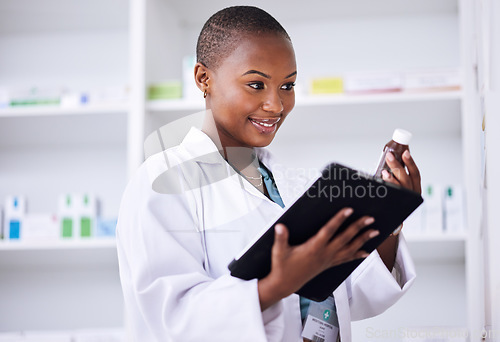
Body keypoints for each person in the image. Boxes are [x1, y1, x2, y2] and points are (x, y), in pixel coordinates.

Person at [116, 6, 421, 342]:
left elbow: (347, 299)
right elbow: (171, 318)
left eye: (287, 86)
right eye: (256, 84)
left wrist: (390, 222)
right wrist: (277, 284)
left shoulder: (291, 184)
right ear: (204, 78)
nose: (275, 105)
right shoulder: (163, 182)